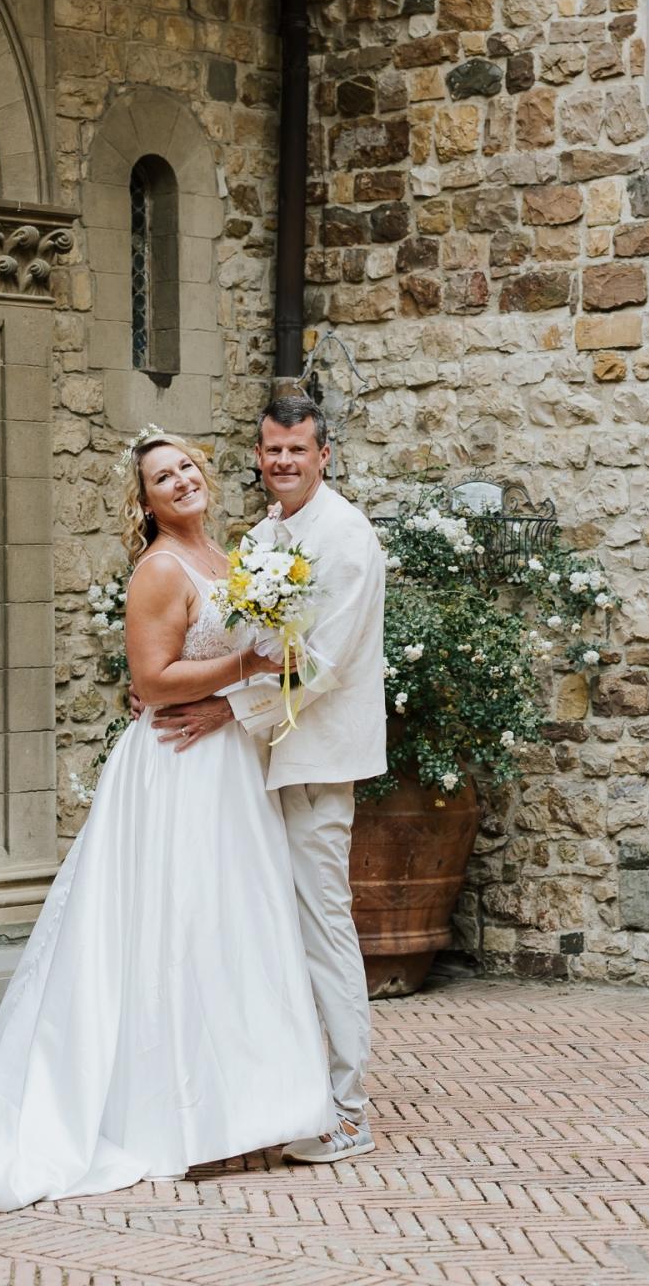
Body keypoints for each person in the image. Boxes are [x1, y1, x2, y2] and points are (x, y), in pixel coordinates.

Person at [0, 430, 330, 1216]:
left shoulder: (234, 557)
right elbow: (153, 678)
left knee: (234, 927)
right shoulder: (159, 570)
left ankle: (248, 1114)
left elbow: (261, 658)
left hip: (228, 770)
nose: (179, 482)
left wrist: (257, 673)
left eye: (185, 467)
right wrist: (246, 667)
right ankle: (177, 1119)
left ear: (204, 474)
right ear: (142, 503)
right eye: (160, 478)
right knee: (175, 932)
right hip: (175, 773)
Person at [152, 394, 387, 1165]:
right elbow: (243, 638)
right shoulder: (261, 537)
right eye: (272, 450)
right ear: (259, 456)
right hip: (256, 762)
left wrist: (221, 709)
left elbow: (319, 664)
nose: (283, 462)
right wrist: (172, 679)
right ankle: (275, 1093)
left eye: (298, 450)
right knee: (258, 931)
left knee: (322, 930)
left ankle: (348, 1111)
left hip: (314, 759)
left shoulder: (346, 539)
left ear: (324, 455)